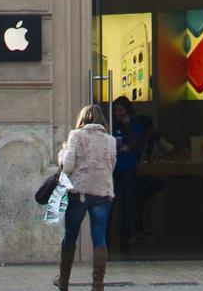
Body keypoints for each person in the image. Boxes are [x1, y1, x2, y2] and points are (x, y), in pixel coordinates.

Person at [53, 104, 116, 291]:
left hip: (79, 192)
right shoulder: (110, 140)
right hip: (102, 193)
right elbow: (111, 167)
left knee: (71, 236)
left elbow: (68, 166)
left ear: (83, 119)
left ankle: (63, 281)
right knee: (99, 238)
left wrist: (62, 153)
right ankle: (98, 284)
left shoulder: (76, 136)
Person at [110, 96, 141, 252]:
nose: (118, 113)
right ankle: (110, 236)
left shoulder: (134, 124)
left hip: (128, 167)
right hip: (114, 168)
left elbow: (135, 143)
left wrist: (127, 123)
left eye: (121, 110)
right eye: (115, 110)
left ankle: (129, 235)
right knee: (111, 202)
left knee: (129, 202)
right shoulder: (112, 124)